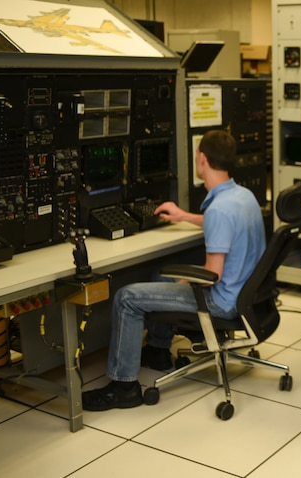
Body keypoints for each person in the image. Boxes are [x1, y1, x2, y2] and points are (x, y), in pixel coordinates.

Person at [82, 129, 266, 411]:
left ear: (201, 158)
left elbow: (211, 275)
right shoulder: (243, 197)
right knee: (160, 273)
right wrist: (183, 216)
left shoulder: (220, 209)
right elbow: (223, 224)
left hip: (221, 300)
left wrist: (183, 283)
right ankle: (157, 351)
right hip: (247, 293)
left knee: (126, 297)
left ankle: (123, 387)